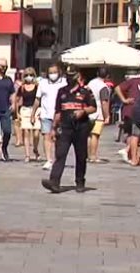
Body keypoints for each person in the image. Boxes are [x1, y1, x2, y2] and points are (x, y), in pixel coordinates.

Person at [41, 65, 97, 194]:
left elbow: (93, 107)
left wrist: (83, 111)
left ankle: (80, 182)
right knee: (60, 154)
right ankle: (54, 182)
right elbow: (58, 112)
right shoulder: (62, 91)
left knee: (81, 155)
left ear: (78, 75)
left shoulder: (85, 91)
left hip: (80, 127)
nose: (70, 78)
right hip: (65, 127)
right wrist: (54, 129)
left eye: (72, 75)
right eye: (68, 76)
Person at [32, 63, 68, 170]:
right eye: (50, 72)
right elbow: (37, 99)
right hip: (46, 114)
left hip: (60, 115)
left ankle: (58, 158)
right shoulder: (43, 83)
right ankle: (49, 159)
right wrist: (33, 114)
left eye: (55, 72)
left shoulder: (64, 82)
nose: (53, 74)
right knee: (46, 137)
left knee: (59, 138)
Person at [115, 63, 140, 163]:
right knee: (139, 134)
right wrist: (124, 100)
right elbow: (118, 88)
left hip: (134, 111)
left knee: (135, 134)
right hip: (132, 110)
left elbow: (118, 88)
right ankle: (128, 151)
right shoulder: (136, 81)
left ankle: (131, 154)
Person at [15, 67, 41, 162]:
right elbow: (17, 100)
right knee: (26, 132)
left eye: (31, 75)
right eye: (26, 75)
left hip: (36, 110)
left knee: (36, 133)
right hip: (25, 110)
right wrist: (17, 112)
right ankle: (27, 155)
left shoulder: (37, 87)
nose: (28, 77)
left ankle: (35, 148)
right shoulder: (21, 87)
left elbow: (40, 99)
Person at [86, 67, 111, 163]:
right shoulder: (103, 87)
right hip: (98, 113)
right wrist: (107, 116)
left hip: (89, 112)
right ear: (107, 76)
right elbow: (104, 102)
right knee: (95, 135)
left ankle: (88, 155)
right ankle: (93, 156)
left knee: (89, 135)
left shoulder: (90, 83)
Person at [12, 69, 26, 147]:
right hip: (17, 105)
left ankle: (23, 140)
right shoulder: (15, 84)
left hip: (24, 105)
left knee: (24, 124)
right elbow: (14, 95)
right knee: (16, 123)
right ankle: (18, 140)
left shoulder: (26, 84)